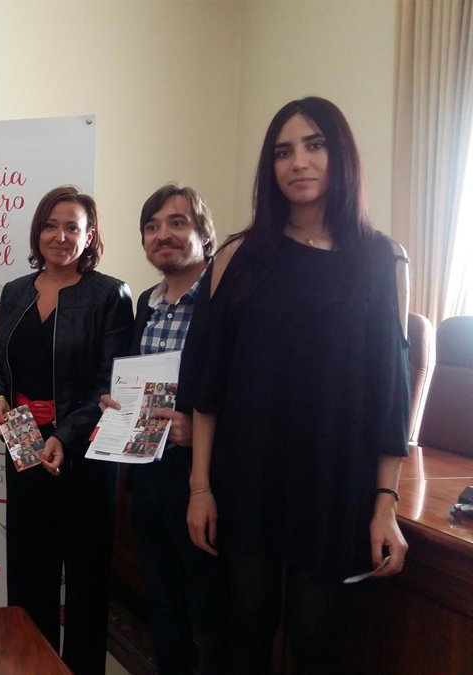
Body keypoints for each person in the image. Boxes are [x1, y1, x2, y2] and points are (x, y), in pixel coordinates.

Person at [185, 96, 410, 673]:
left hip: (334, 478)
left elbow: (390, 392)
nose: (299, 162)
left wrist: (385, 503)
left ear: (341, 156)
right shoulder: (237, 256)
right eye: (283, 152)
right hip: (249, 473)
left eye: (315, 145)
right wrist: (200, 488)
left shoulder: (381, 259)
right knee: (247, 623)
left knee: (316, 635)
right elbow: (208, 386)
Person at [0, 185, 133, 674]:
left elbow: (110, 381)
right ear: (38, 232)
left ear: (89, 236)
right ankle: (32, 664)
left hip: (84, 450)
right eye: (51, 225)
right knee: (29, 569)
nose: (60, 236)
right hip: (23, 441)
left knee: (86, 576)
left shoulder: (110, 294)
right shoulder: (13, 292)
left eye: (73, 227)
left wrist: (64, 435)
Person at [102, 184, 227, 674]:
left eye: (177, 223)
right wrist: (118, 403)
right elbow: (137, 379)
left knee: (211, 612)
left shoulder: (224, 299)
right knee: (163, 602)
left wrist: (202, 432)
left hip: (207, 479)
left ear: (203, 233)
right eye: (151, 227)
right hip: (150, 474)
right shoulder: (147, 303)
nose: (163, 235)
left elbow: (251, 390)